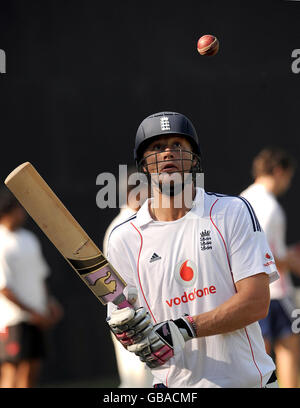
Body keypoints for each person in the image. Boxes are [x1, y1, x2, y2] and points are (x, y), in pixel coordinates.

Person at [105, 111, 280, 388]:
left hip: (248, 383)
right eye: (157, 147)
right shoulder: (123, 239)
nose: (168, 154)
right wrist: (130, 336)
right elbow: (125, 322)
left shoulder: (232, 212)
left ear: (194, 159)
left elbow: (256, 303)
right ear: (144, 165)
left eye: (178, 145)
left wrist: (185, 328)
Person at [240, 147, 300, 388]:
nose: (288, 183)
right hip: (275, 293)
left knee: (256, 356)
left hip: (249, 293)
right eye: (289, 177)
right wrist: (292, 261)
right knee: (289, 348)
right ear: (279, 171)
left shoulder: (241, 200)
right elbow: (266, 256)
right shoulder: (271, 207)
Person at [0, 187, 63, 388]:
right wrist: (32, 313)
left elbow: (40, 276)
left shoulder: (29, 239)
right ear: (7, 211)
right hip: (13, 320)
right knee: (12, 372)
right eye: (18, 208)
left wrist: (49, 304)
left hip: (37, 318)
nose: (23, 213)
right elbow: (4, 288)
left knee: (31, 372)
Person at [103, 166, 153, 388]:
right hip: (133, 319)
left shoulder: (141, 223)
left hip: (143, 317)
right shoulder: (124, 229)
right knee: (138, 383)